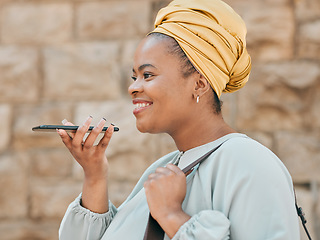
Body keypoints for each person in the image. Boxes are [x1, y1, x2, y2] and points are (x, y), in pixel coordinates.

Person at [58, 0, 300, 239]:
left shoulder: (249, 163)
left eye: (148, 74)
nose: (133, 87)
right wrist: (95, 176)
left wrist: (172, 215)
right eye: (135, 77)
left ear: (199, 84)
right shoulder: (162, 169)